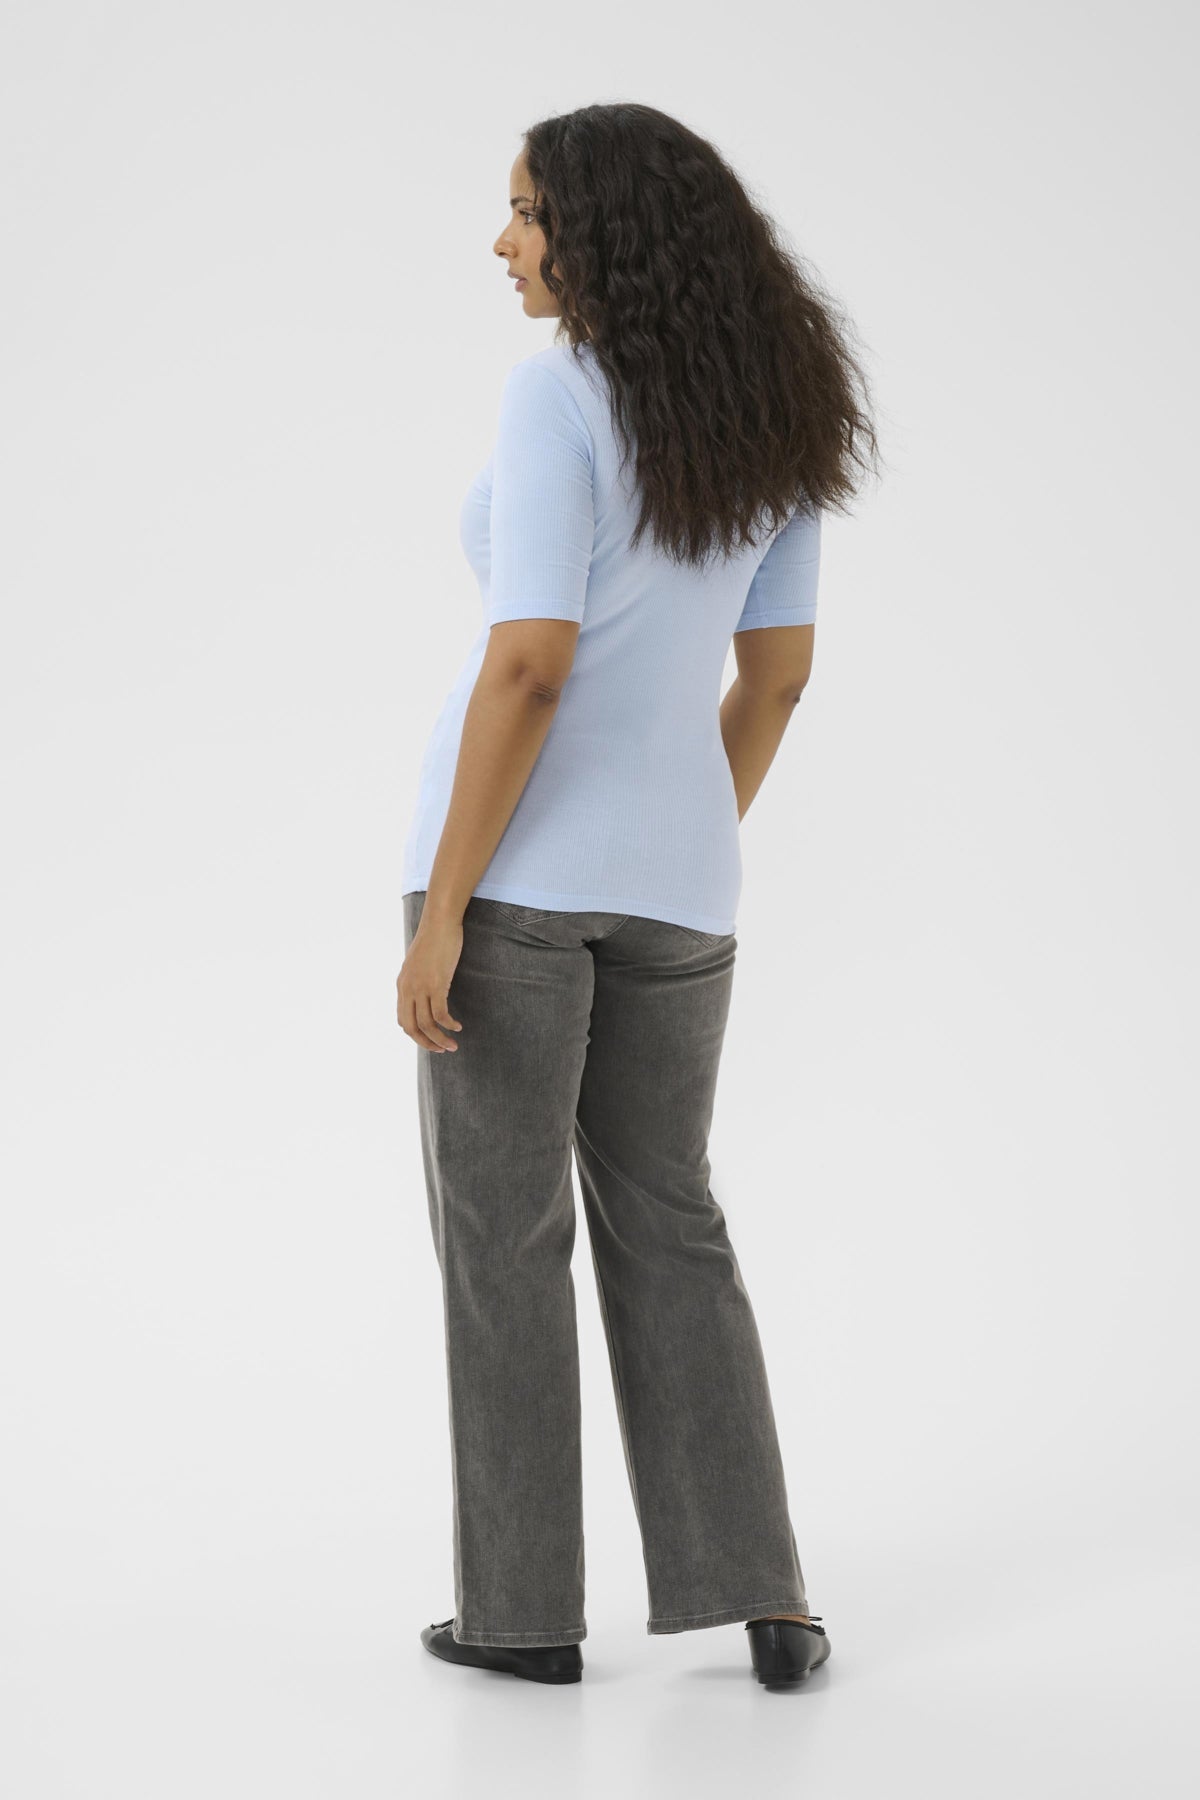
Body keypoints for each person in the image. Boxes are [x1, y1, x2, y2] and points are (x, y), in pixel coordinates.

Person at [396, 102, 879, 1689]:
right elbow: (778, 678)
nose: (504, 241)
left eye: (528, 212)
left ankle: (523, 1617)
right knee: (672, 1218)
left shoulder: (559, 396)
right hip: (686, 890)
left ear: (603, 230)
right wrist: (678, 835)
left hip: (519, 886)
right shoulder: (780, 415)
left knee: (504, 1240)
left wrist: (448, 906)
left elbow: (529, 665)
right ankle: (768, 1597)